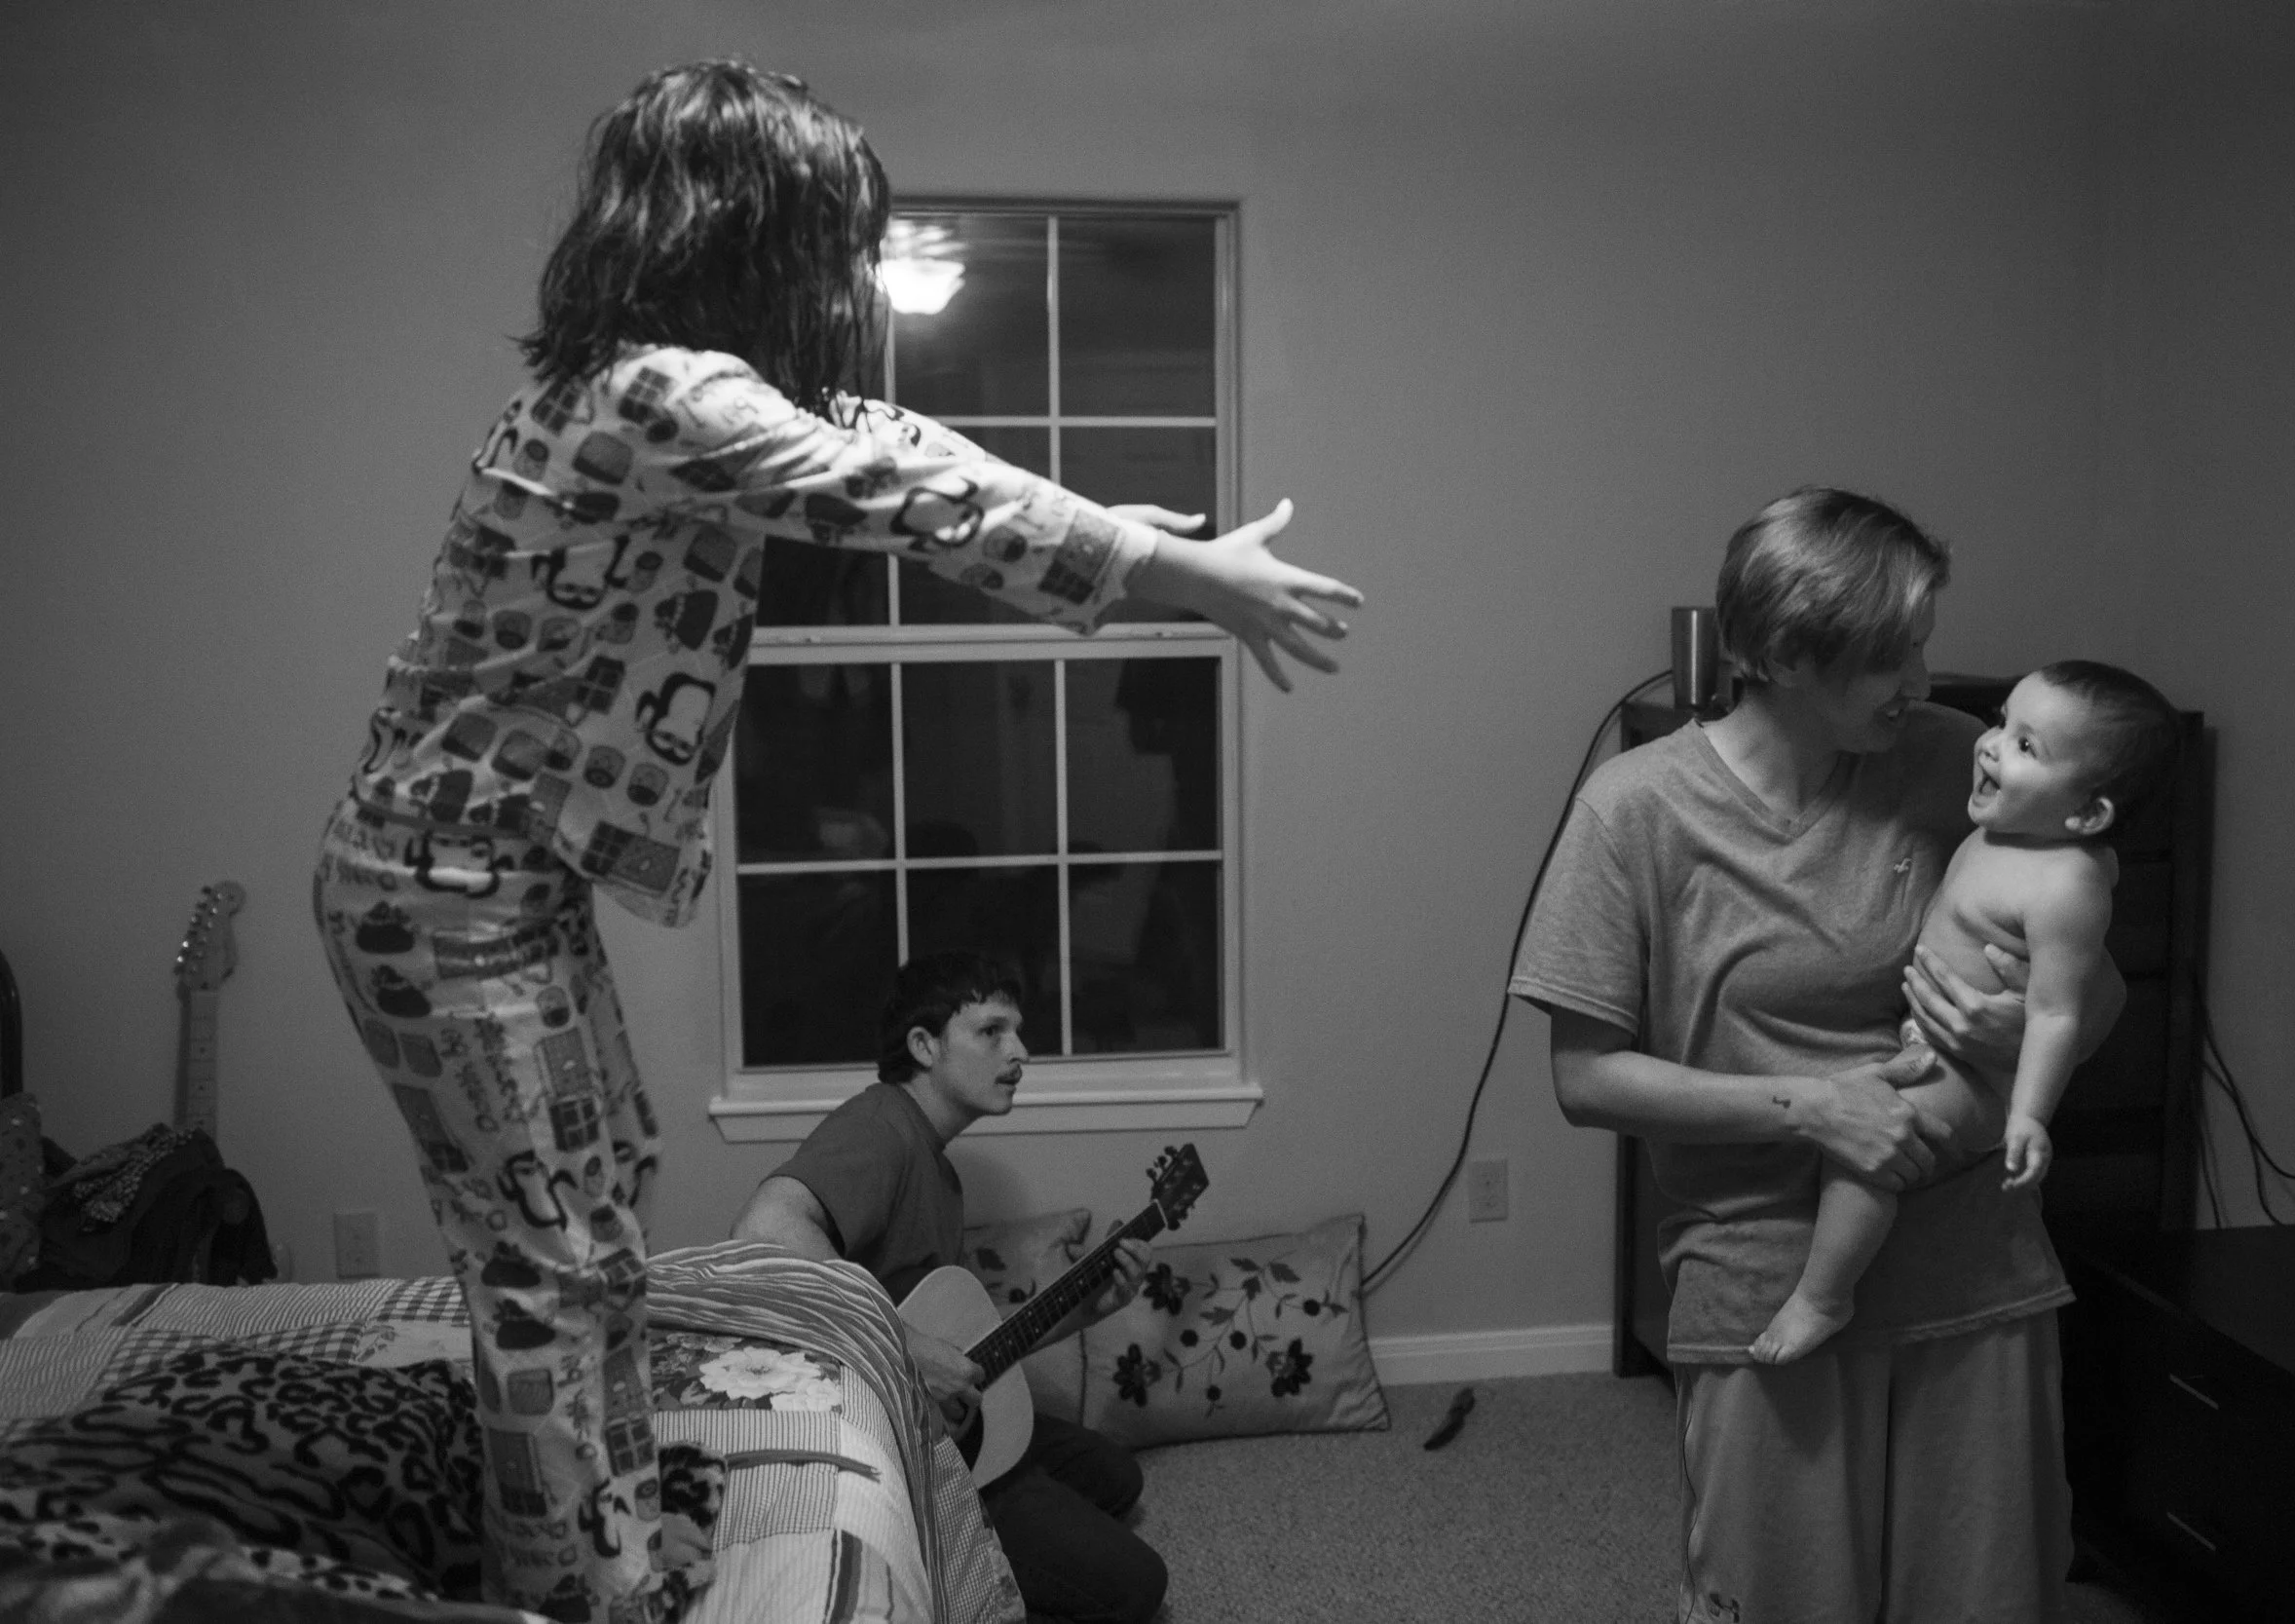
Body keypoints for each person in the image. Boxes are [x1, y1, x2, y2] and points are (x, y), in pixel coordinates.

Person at [312, 60, 1358, 1624]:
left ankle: (593, 1519)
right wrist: (1171, 578)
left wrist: (1144, 542)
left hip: (502, 882)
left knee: (597, 1208)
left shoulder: (684, 391)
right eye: (836, 245)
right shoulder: (651, 396)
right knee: (553, 1250)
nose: (853, 282)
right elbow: (888, 487)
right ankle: (586, 1580)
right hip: (436, 884)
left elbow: (896, 434)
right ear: (746, 234)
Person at [1510, 487, 2126, 1624]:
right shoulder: (1633, 810)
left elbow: (2095, 984)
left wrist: (2034, 1027)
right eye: (1891, 655)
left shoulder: (1955, 766)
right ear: (1789, 655)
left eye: (1921, 644)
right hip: (1764, 1275)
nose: (1922, 681)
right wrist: (1814, 1107)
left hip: (1973, 1265)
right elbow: (1583, 1077)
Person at [1752, 660, 2182, 1364]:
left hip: (1975, 1077)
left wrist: (2029, 1117)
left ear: (2086, 815)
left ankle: (1824, 1296)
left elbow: (2055, 1014)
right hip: (1928, 1042)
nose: (1989, 746)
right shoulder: (2012, 828)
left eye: (2025, 746)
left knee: (1869, 1148)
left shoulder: (2065, 882)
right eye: (2001, 721)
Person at [730, 952, 1166, 1624]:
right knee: (1138, 1585)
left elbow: (965, 1352)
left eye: (1017, 1032)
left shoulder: (938, 1168)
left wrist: (1087, 1309)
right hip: (886, 1443)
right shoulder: (880, 1126)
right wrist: (904, 1347)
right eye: (992, 1031)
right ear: (924, 1045)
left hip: (932, 1424)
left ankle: (992, 1531)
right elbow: (764, 1230)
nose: (1020, 1052)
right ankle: (946, 1551)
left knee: (1114, 1474)